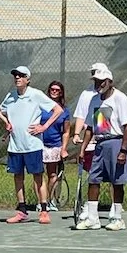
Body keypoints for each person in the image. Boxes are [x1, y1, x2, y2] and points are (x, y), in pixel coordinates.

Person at [0, 66, 64, 225]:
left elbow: (58, 110)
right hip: (15, 146)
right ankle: (21, 211)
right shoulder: (11, 96)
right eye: (15, 75)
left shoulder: (36, 94)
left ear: (28, 79)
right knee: (17, 176)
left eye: (21, 76)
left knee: (38, 177)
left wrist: (44, 127)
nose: (17, 78)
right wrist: (7, 123)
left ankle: (44, 210)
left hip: (33, 145)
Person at [75, 67, 127, 231]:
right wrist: (82, 149)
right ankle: (93, 219)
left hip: (117, 142)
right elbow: (91, 127)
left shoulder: (120, 98)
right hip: (100, 144)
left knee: (117, 182)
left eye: (102, 81)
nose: (99, 84)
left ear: (110, 82)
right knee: (93, 180)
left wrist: (123, 151)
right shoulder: (95, 100)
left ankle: (117, 218)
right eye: (96, 81)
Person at [41, 81, 71, 211]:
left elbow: (66, 132)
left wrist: (63, 148)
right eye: (52, 89)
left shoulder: (64, 111)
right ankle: (41, 202)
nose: (54, 91)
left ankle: (50, 201)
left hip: (55, 145)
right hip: (39, 144)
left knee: (52, 174)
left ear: (61, 93)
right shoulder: (40, 107)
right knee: (38, 174)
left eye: (57, 90)